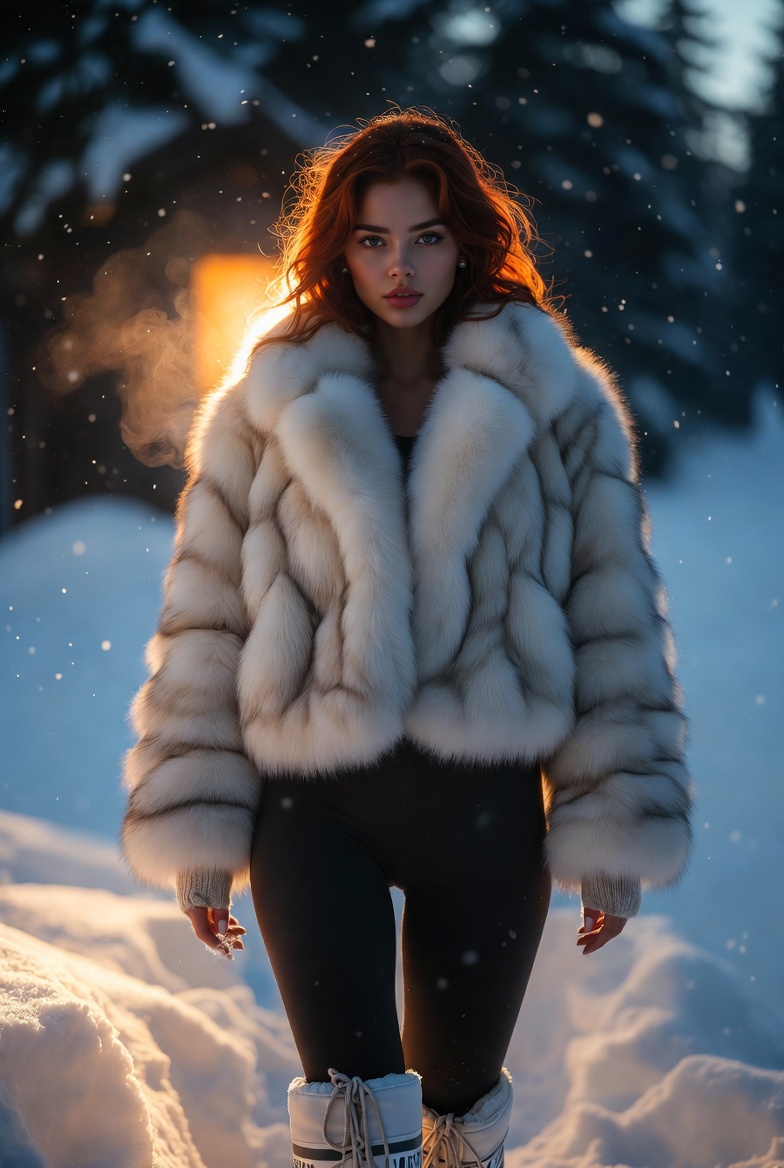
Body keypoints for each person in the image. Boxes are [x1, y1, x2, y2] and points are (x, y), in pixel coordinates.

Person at [121, 108, 692, 1168]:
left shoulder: (554, 401)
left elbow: (610, 616)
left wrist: (611, 826)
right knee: (351, 1124)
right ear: (339, 245)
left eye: (424, 236)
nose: (399, 265)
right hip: (312, 804)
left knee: (458, 1128)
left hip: (482, 812)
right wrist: (198, 826)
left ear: (465, 237)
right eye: (373, 239)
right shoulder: (266, 401)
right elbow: (206, 616)